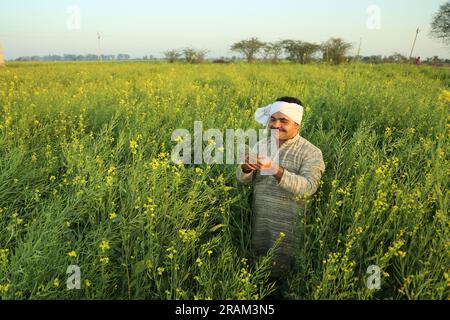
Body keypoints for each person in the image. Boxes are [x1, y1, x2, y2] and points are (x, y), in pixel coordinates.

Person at [236, 97, 325, 280]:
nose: (276, 125)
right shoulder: (261, 145)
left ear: (297, 124)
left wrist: (275, 169)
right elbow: (244, 180)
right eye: (273, 119)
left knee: (285, 273)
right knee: (259, 267)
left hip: (289, 226)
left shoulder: (311, 152)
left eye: (283, 121)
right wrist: (245, 169)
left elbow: (308, 187)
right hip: (260, 220)